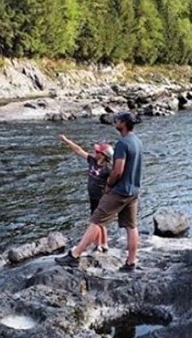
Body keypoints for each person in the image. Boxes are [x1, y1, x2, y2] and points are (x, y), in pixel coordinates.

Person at [58, 111, 145, 271]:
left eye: (118, 120)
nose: (115, 121)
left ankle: (75, 255)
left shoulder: (122, 144)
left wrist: (109, 185)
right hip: (133, 191)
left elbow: (118, 170)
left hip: (119, 191)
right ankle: (131, 262)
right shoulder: (138, 142)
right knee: (131, 227)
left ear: (124, 123)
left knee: (96, 221)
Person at [58, 134, 114, 252]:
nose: (95, 152)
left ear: (103, 155)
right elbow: (79, 150)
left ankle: (99, 244)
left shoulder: (108, 169)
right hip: (92, 197)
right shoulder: (92, 161)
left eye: (97, 151)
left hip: (101, 198)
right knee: (100, 222)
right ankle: (104, 244)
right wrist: (66, 141)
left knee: (96, 221)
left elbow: (115, 181)